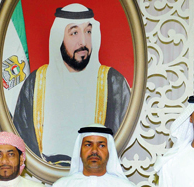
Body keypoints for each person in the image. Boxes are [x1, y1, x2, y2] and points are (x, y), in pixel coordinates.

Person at [13, 3, 131, 164]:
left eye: (88, 32)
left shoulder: (113, 82)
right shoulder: (36, 83)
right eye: (74, 33)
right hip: (43, 175)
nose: (83, 42)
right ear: (58, 38)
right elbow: (21, 140)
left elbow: (121, 138)